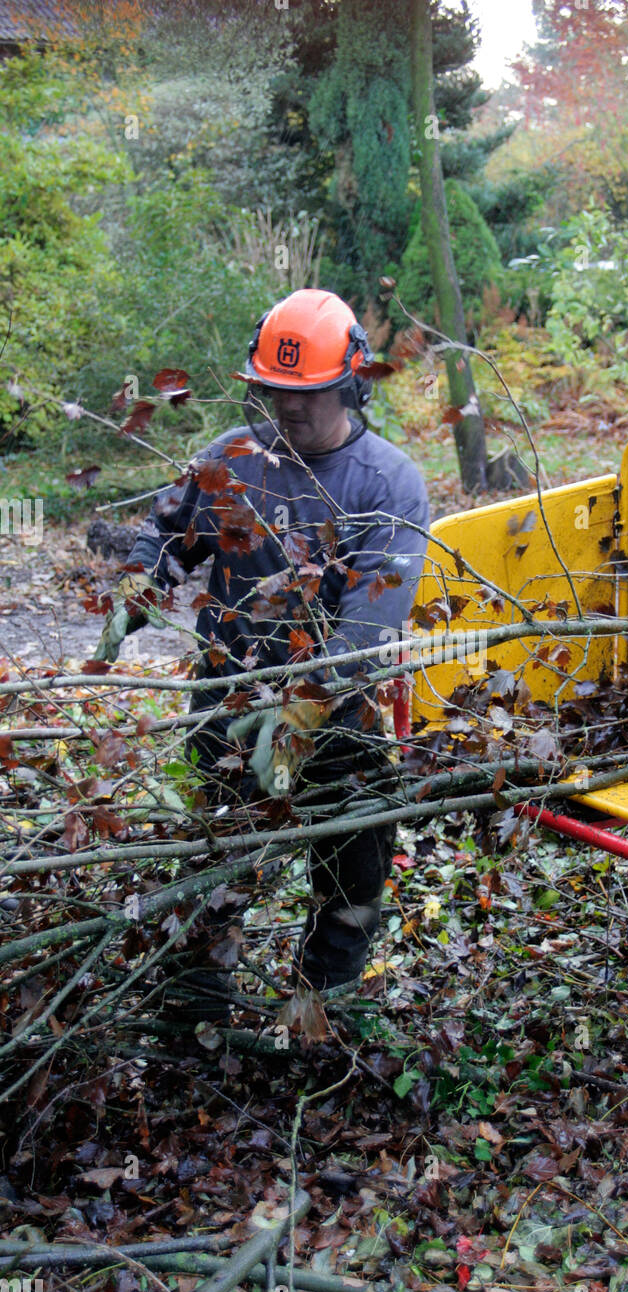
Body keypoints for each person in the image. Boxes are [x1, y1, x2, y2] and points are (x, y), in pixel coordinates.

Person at [95, 289, 430, 1017]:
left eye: (304, 393)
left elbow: (370, 624)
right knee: (218, 863)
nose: (289, 407)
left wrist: (298, 714)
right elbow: (167, 533)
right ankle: (196, 1006)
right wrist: (137, 591)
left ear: (348, 382)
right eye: (274, 391)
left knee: (351, 872)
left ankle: (324, 1011)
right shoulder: (231, 460)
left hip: (340, 717)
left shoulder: (387, 483)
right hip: (227, 700)